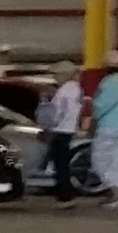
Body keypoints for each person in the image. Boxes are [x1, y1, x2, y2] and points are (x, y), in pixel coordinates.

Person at [87, 57, 118, 208]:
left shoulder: (110, 82)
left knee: (99, 160)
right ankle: (116, 193)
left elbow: (101, 105)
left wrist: (92, 121)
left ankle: (114, 192)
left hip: (109, 125)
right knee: (116, 159)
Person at [37, 62, 86, 208]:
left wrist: (49, 127)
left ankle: (65, 196)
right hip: (68, 129)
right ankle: (65, 194)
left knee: (60, 165)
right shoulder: (76, 89)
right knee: (62, 164)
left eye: (56, 74)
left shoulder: (65, 90)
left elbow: (58, 113)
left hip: (60, 130)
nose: (55, 77)